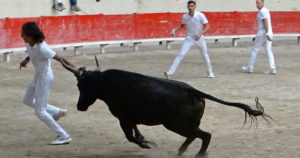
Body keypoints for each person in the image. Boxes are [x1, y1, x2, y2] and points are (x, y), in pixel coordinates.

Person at [20, 22, 75, 145]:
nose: (21, 35)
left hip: (44, 77)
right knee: (27, 100)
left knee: (39, 111)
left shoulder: (42, 47)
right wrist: (26, 60)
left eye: (23, 33)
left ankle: (64, 135)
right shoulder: (29, 43)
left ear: (30, 35)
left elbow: (61, 59)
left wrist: (75, 69)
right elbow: (31, 53)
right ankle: (57, 112)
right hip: (37, 75)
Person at [164, 0, 214, 79]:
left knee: (205, 55)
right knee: (181, 54)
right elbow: (182, 25)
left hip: (199, 38)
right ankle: (170, 72)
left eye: (192, 6)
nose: (190, 8)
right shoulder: (185, 16)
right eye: (189, 6)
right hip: (189, 38)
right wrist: (175, 30)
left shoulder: (200, 15)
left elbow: (208, 26)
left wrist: (201, 34)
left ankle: (210, 71)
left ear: (195, 7)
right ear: (187, 7)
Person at [242, 0, 276, 75]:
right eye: (256, 3)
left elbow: (265, 22)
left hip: (262, 33)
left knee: (255, 49)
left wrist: (266, 32)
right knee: (268, 50)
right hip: (269, 32)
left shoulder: (262, 11)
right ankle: (272, 68)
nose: (257, 5)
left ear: (263, 3)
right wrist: (268, 33)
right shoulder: (266, 10)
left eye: (259, 3)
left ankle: (250, 67)